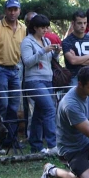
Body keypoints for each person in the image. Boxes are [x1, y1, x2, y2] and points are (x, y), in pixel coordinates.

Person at [0, 0, 26, 148]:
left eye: (15, 9)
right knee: (3, 104)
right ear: (5, 11)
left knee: (14, 106)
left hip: (15, 69)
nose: (13, 12)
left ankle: (12, 140)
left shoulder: (23, 28)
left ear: (19, 11)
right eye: (10, 9)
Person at [21, 14, 61, 154]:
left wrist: (56, 53)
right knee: (50, 109)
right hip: (34, 81)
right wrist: (43, 50)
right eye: (42, 27)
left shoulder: (45, 40)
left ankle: (36, 146)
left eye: (46, 27)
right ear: (35, 28)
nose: (45, 30)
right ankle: (53, 145)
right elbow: (27, 62)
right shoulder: (27, 42)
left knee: (39, 113)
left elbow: (49, 60)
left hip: (47, 80)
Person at [62, 10, 89, 86]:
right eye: (79, 23)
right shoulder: (67, 41)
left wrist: (77, 60)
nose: (83, 26)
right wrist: (88, 56)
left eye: (85, 23)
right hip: (74, 78)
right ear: (73, 23)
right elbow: (72, 60)